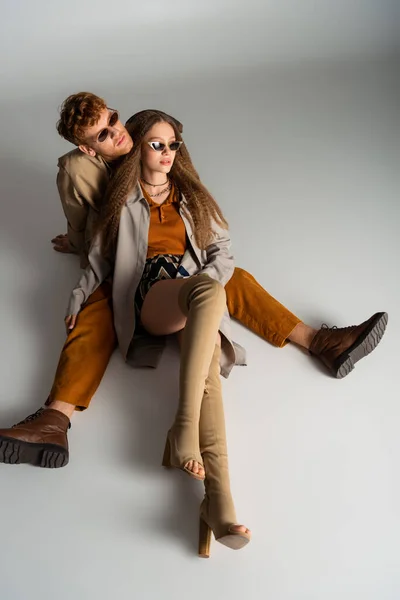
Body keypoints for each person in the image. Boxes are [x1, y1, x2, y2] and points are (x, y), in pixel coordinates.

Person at [0, 93, 387, 473]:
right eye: (102, 135)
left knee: (234, 277)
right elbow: (95, 240)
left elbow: (207, 221)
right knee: (95, 312)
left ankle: (321, 343)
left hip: (184, 268)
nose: (116, 133)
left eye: (113, 119)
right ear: (91, 150)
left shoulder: (156, 147)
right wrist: (78, 253)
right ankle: (54, 419)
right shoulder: (95, 175)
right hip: (132, 272)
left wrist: (209, 267)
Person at [64, 109, 250, 555]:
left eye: (173, 145)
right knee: (207, 295)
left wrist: (210, 274)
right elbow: (100, 257)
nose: (167, 153)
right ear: (138, 147)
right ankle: (182, 426)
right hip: (154, 293)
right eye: (156, 144)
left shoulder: (191, 193)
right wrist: (79, 293)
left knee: (208, 379)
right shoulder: (121, 195)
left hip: (193, 289)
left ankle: (219, 505)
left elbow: (222, 248)